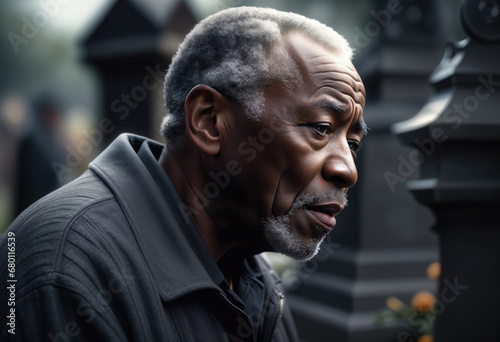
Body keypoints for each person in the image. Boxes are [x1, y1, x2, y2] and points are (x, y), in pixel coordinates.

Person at [0, 6, 366, 341]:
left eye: (352, 143)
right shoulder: (65, 267)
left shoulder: (253, 275)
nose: (347, 170)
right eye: (320, 128)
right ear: (209, 121)